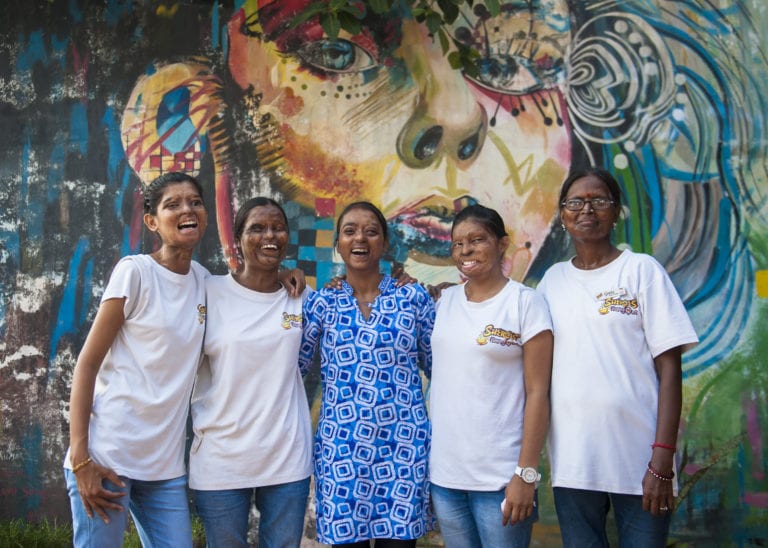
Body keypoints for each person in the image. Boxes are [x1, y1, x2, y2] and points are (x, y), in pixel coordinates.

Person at [537, 168, 699, 547]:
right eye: (575, 202)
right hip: (574, 464)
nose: (586, 209)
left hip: (641, 463)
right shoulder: (551, 282)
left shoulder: (642, 271)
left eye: (599, 201)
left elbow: (670, 370)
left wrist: (662, 460)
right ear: (563, 215)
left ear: (617, 212)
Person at [64, 171, 210, 546]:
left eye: (194, 201)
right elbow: (87, 364)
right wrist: (81, 457)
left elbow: (250, 294)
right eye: (172, 204)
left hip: (163, 467)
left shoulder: (205, 282)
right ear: (152, 222)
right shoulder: (135, 272)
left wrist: (287, 277)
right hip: (107, 456)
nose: (187, 209)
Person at [299, 201, 435, 547]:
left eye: (371, 231)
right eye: (350, 231)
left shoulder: (413, 297)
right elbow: (294, 366)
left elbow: (439, 366)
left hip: (404, 451)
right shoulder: (321, 303)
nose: (360, 238)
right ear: (338, 244)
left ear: (385, 243)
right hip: (342, 451)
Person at [188, 197, 313, 547]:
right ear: (238, 239)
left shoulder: (301, 297)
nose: (269, 235)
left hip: (287, 456)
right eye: (257, 228)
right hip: (221, 457)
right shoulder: (208, 292)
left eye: (277, 227)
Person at [428, 204, 554, 547]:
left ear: (502, 244)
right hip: (445, 479)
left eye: (477, 240)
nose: (466, 250)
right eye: (457, 243)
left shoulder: (526, 304)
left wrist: (525, 474)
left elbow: (539, 393)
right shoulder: (443, 301)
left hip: (501, 480)